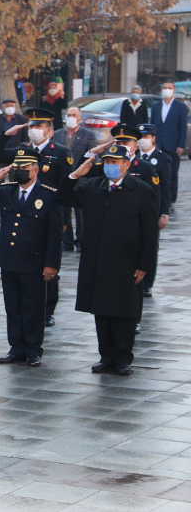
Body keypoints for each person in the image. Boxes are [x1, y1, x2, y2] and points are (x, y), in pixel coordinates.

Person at [56, 144, 158, 375]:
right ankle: (106, 356)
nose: (110, 166)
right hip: (97, 259)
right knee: (101, 309)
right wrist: (74, 175)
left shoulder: (140, 190)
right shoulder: (93, 187)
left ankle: (123, 358)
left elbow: (150, 231)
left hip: (127, 260)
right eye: (107, 162)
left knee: (124, 311)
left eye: (115, 162)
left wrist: (144, 265)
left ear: (126, 164)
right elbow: (62, 198)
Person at [0, 148, 62, 367]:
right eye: (18, 167)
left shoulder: (49, 194)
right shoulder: (7, 191)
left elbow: (54, 234)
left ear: (35, 169)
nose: (20, 171)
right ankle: (16, 347)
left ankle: (33, 348)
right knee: (12, 305)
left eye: (25, 168)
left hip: (34, 260)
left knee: (33, 306)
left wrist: (51, 264)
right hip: (9, 259)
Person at [0, 107, 73, 327]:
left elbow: (66, 190)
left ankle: (47, 309)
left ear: (50, 131)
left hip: (50, 213)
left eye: (39, 127)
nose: (34, 130)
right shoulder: (23, 148)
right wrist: (6, 135)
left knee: (49, 262)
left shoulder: (60, 152)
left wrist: (64, 220)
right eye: (32, 126)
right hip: (25, 212)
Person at [136, 123, 172, 297]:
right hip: (134, 211)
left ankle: (147, 283)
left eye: (146, 137)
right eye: (140, 137)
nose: (142, 140)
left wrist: (164, 213)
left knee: (150, 245)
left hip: (153, 210)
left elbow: (165, 188)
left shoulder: (162, 159)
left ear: (153, 138)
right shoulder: (132, 157)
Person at [53, 106, 96, 252]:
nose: (71, 117)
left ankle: (81, 239)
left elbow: (92, 156)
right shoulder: (58, 134)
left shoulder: (87, 135)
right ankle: (67, 240)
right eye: (69, 114)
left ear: (79, 118)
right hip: (63, 179)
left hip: (81, 179)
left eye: (74, 115)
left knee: (80, 212)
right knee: (64, 210)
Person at [151, 80, 187, 211]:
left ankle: (171, 200)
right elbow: (152, 126)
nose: (167, 90)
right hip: (159, 145)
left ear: (174, 89)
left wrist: (181, 145)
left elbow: (182, 128)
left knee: (171, 174)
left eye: (169, 88)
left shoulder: (180, 107)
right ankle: (157, 197)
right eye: (165, 88)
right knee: (156, 173)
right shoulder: (156, 107)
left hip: (173, 145)